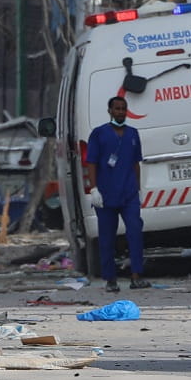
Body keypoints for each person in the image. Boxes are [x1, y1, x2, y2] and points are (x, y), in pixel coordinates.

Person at [83, 94, 146, 294]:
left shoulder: (133, 134)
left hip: (129, 194)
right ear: (110, 111)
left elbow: (136, 163)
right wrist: (93, 189)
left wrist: (138, 188)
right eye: (116, 109)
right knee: (107, 238)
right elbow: (91, 162)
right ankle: (110, 279)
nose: (120, 112)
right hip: (106, 194)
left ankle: (136, 276)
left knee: (135, 232)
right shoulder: (99, 134)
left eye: (123, 109)